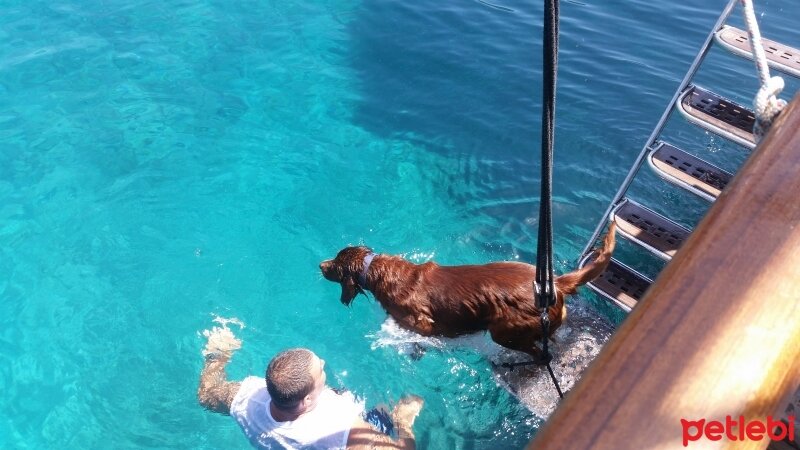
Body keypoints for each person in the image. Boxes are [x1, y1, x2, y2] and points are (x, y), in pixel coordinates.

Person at [197, 324, 424, 450]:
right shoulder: (343, 429)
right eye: (321, 370)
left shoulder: (246, 397)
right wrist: (403, 421)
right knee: (392, 404)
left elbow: (206, 395)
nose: (324, 364)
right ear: (306, 400)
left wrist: (217, 356)